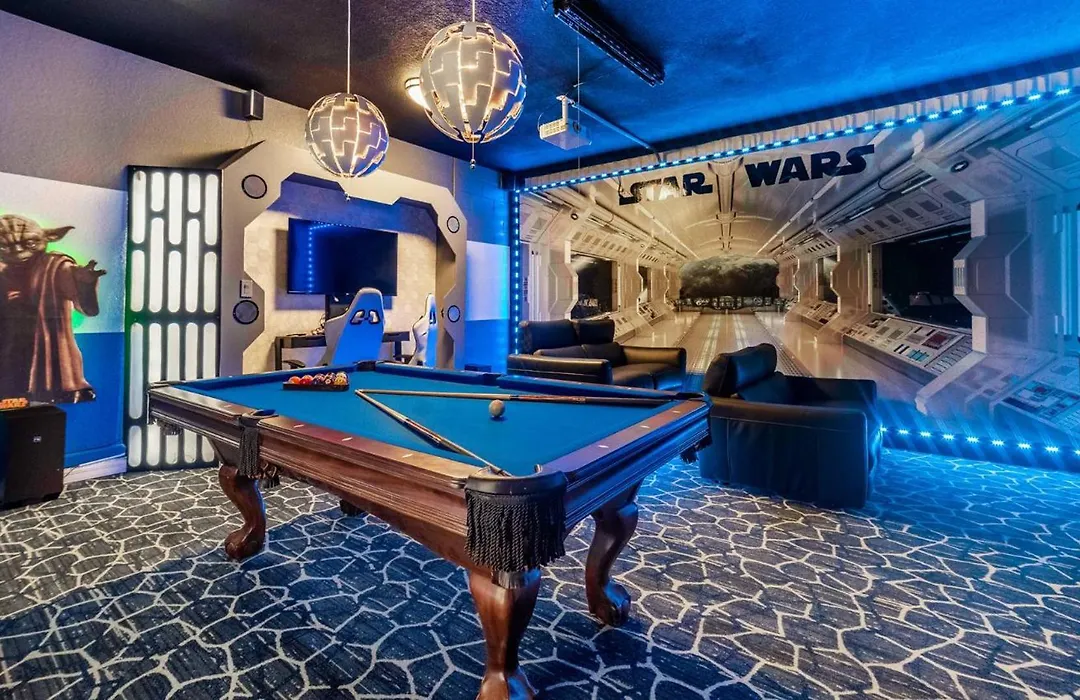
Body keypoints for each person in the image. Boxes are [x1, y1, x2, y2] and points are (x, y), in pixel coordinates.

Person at [0, 214, 106, 403]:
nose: (17, 251)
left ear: (49, 238)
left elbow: (86, 305)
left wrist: (84, 283)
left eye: (29, 243)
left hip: (44, 336)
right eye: (4, 245)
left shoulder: (55, 266)